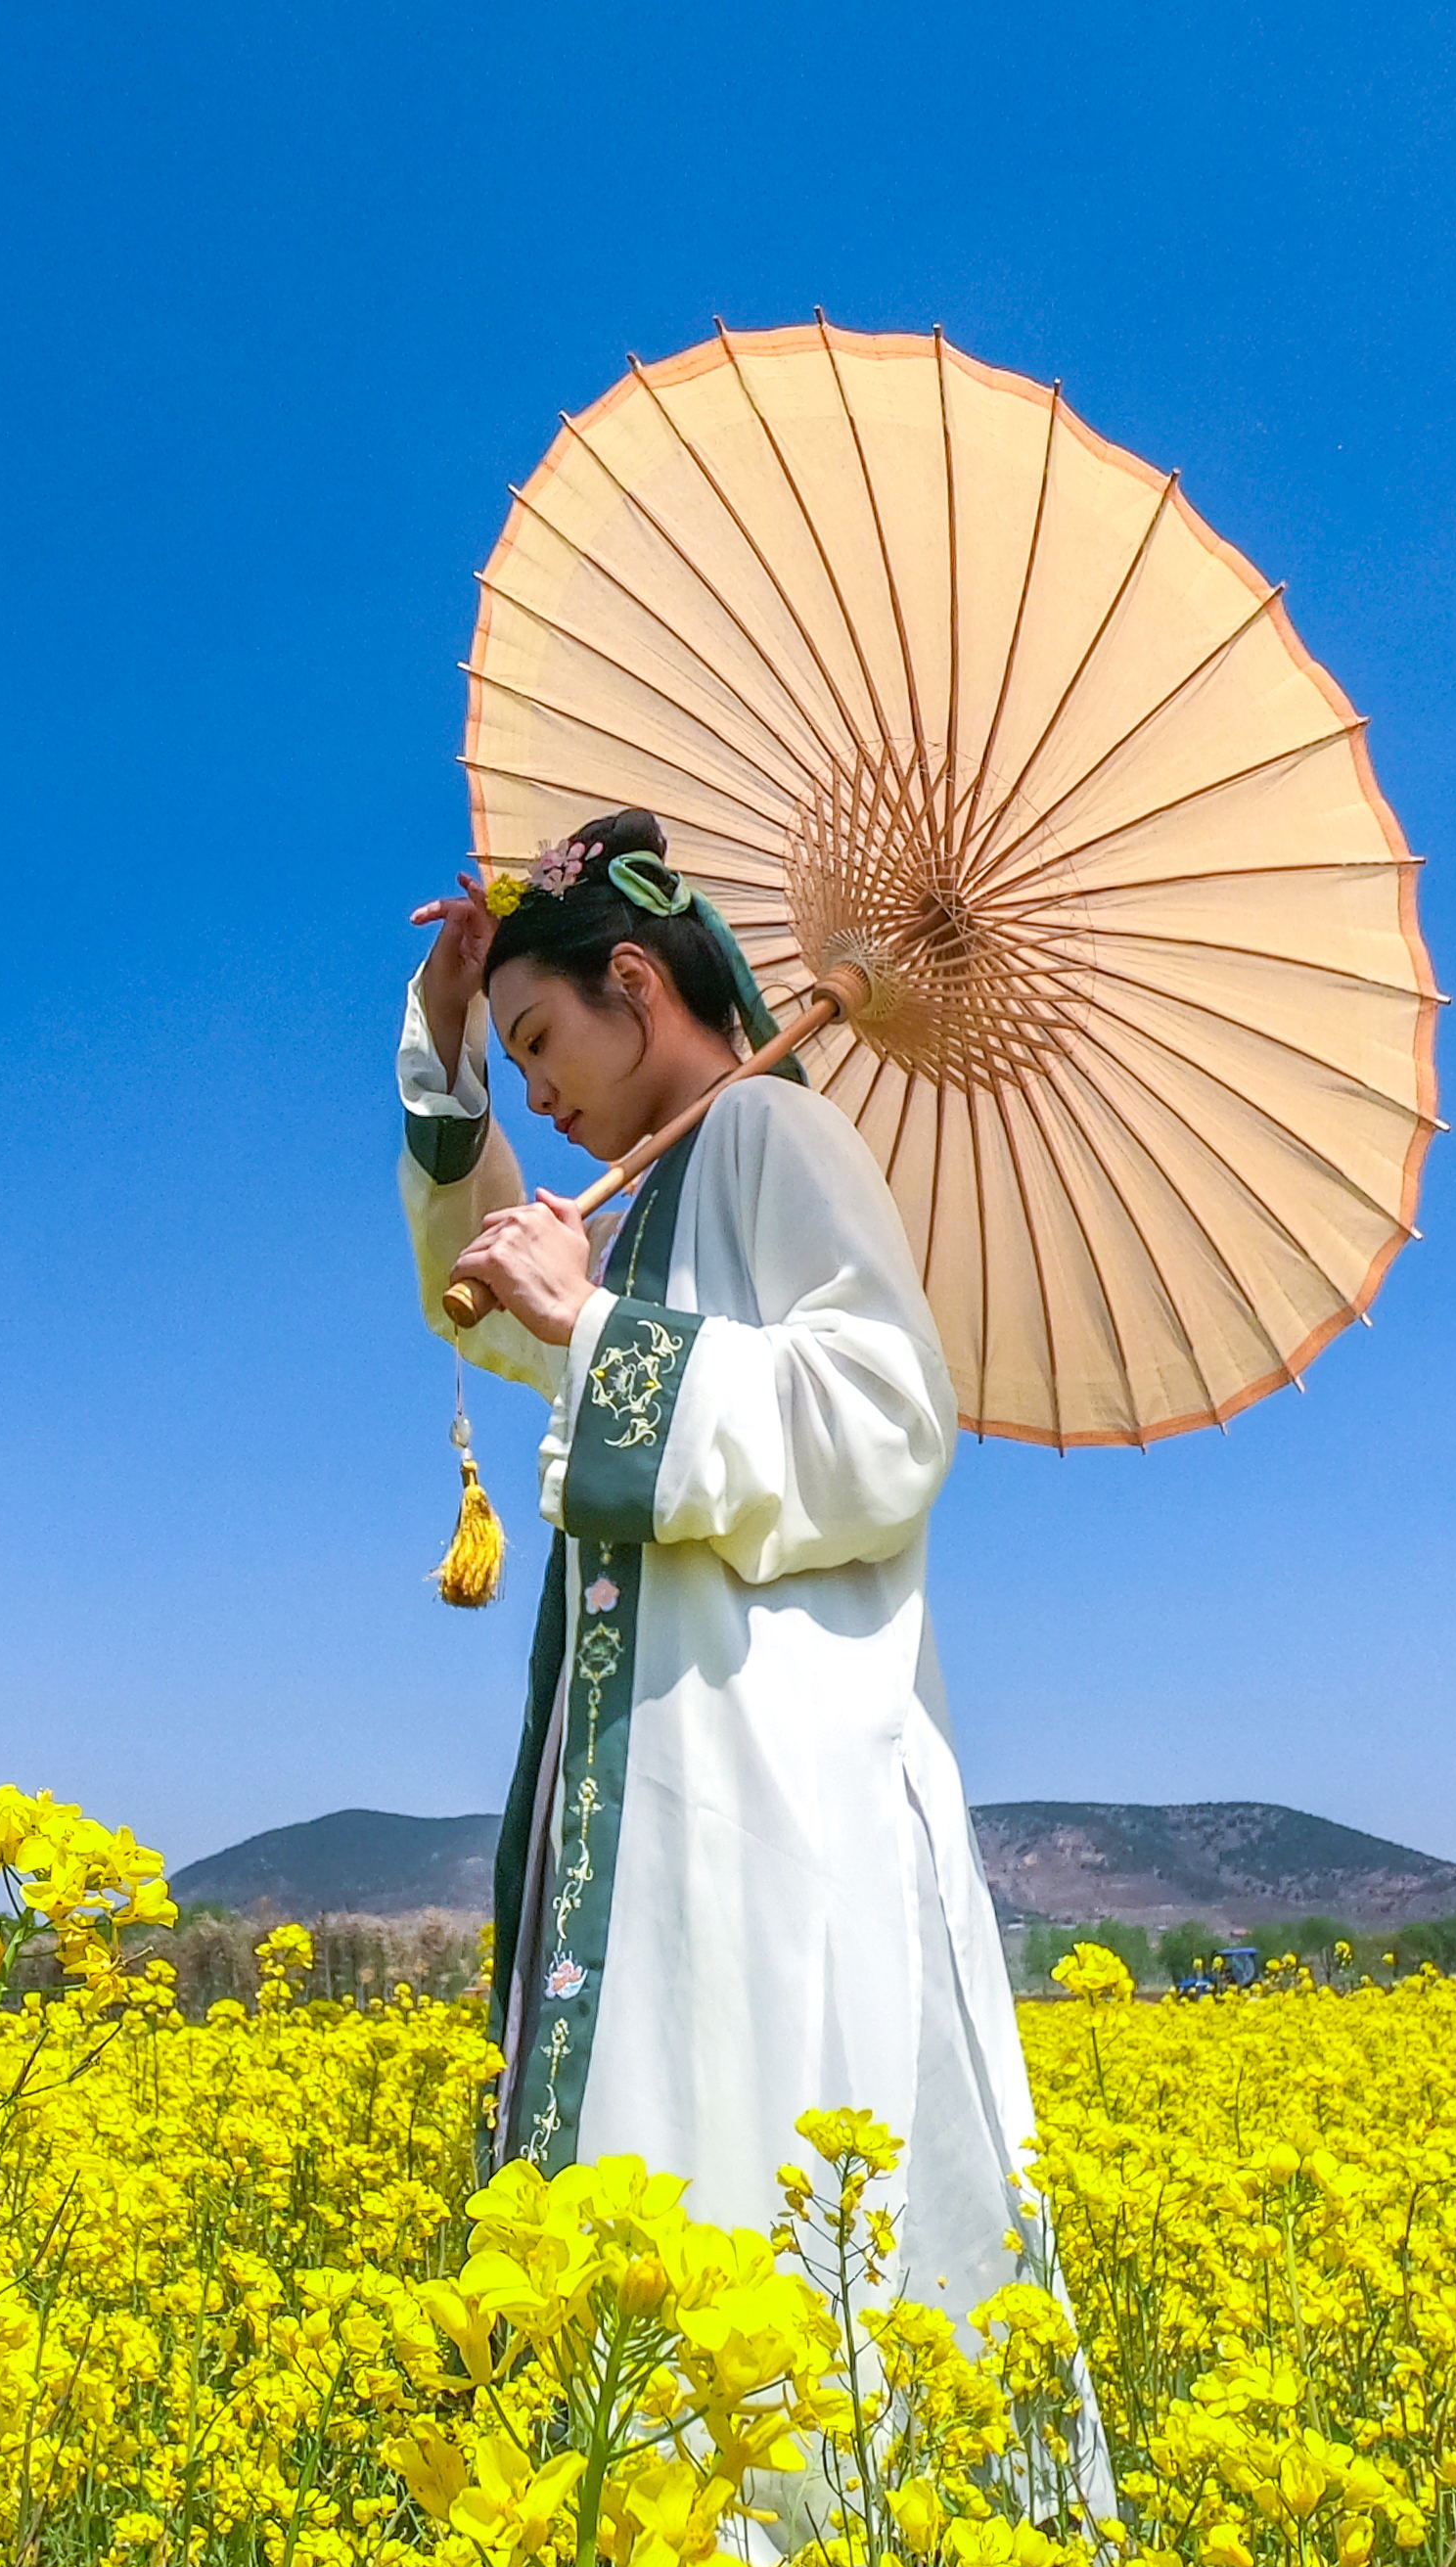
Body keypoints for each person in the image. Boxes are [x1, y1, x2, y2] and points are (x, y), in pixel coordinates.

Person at [396, 806, 1065, 2346]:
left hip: (767, 1772)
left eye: (543, 1037)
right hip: (674, 1763)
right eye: (521, 1056)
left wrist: (594, 1335)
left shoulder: (775, 1134)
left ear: (638, 979)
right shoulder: (657, 1196)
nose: (544, 1090)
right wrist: (453, 1060)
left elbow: (891, 1420)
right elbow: (487, 1311)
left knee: (758, 2167)